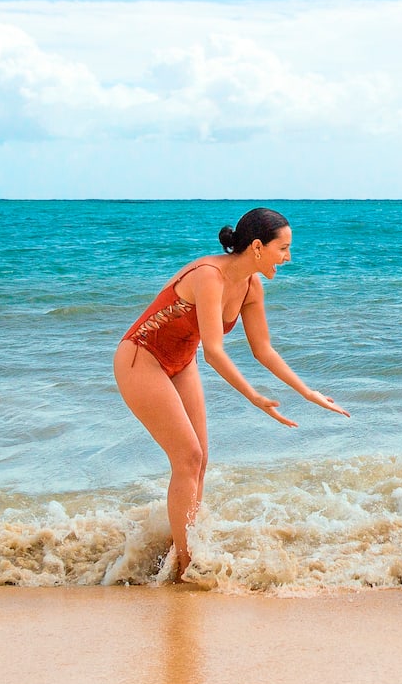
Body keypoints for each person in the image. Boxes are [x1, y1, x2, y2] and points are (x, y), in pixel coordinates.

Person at [113, 207, 347, 581]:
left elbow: (263, 350)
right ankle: (186, 567)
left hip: (180, 360)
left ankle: (182, 549)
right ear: (257, 246)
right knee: (187, 456)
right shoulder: (209, 276)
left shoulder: (252, 286)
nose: (288, 258)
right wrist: (254, 397)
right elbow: (214, 351)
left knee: (200, 459)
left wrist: (307, 391)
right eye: (283, 249)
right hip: (142, 358)